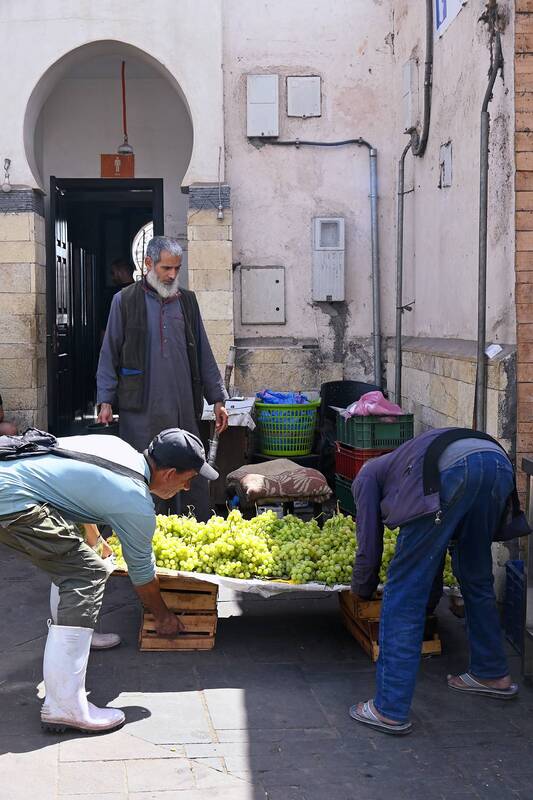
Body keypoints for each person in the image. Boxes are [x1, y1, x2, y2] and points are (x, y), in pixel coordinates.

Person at [0, 426, 219, 734]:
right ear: (169, 474)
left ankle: (79, 637)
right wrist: (163, 616)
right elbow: (142, 574)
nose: (186, 488)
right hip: (12, 501)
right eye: (188, 479)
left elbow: (72, 478)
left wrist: (94, 536)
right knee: (84, 573)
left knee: (80, 560)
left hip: (10, 481)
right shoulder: (136, 502)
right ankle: (63, 706)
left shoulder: (115, 446)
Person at [348, 427, 519, 736]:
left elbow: (368, 543)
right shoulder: (402, 461)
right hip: (496, 462)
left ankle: (388, 709)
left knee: (402, 593)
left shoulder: (367, 476)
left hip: (452, 472)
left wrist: (362, 588)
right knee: (476, 577)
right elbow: (435, 552)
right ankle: (492, 673)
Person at [96, 235, 228, 520]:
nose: (172, 275)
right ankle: (142, 531)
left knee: (189, 467)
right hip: (141, 408)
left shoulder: (187, 302)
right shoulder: (125, 300)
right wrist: (105, 399)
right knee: (143, 473)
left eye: (176, 269)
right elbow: (109, 353)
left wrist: (217, 399)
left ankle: (195, 529)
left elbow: (203, 351)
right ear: (148, 264)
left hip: (183, 405)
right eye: (166, 268)